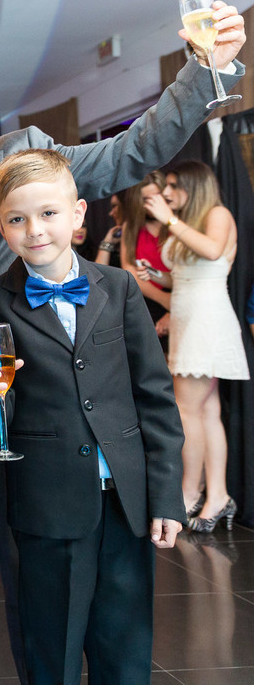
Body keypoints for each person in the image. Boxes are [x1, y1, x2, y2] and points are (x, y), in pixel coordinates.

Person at [0, 2, 245, 677]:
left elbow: (134, 150)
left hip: (37, 416)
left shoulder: (28, 158)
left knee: (62, 596)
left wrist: (204, 71)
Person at [0, 148, 184, 684]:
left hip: (126, 500)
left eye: (48, 213)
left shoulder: (120, 287)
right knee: (52, 649)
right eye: (18, 219)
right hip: (47, 501)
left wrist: (165, 495)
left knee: (125, 648)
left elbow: (155, 396)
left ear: (78, 213)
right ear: (0, 227)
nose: (35, 230)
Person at [140, 161, 249, 531]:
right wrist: (158, 275)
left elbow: (214, 252)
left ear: (194, 185)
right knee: (206, 412)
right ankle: (217, 495)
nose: (167, 192)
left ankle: (189, 493)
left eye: (174, 185)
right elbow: (189, 273)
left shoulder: (217, 214)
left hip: (207, 322)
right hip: (188, 323)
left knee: (186, 410)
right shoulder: (188, 220)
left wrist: (169, 219)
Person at [117, 172, 173, 336]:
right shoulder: (131, 226)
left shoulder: (176, 223)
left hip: (179, 296)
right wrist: (163, 299)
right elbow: (129, 269)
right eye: (146, 199)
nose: (153, 203)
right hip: (146, 298)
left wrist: (172, 309)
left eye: (157, 196)